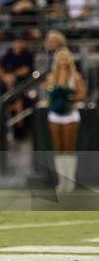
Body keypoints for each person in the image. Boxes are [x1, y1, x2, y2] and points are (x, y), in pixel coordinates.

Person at [45, 47, 86, 193]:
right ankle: (61, 181)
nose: (63, 61)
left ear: (69, 60)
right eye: (60, 58)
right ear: (56, 60)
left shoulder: (75, 76)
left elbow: (82, 94)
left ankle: (70, 180)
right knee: (58, 148)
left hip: (70, 113)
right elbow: (47, 94)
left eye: (65, 58)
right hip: (55, 115)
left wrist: (69, 97)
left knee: (70, 147)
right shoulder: (51, 77)